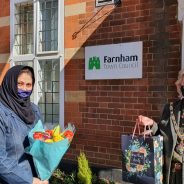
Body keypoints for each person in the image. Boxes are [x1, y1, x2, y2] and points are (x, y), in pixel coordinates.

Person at [0, 65, 48, 184]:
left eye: (28, 85)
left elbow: (42, 143)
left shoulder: (34, 110)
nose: (24, 89)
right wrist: (30, 180)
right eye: (19, 83)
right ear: (10, 83)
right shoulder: (2, 114)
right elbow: (1, 160)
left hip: (39, 178)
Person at [138, 69, 184, 184]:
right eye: (182, 80)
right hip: (174, 175)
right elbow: (163, 136)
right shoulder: (171, 109)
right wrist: (152, 125)